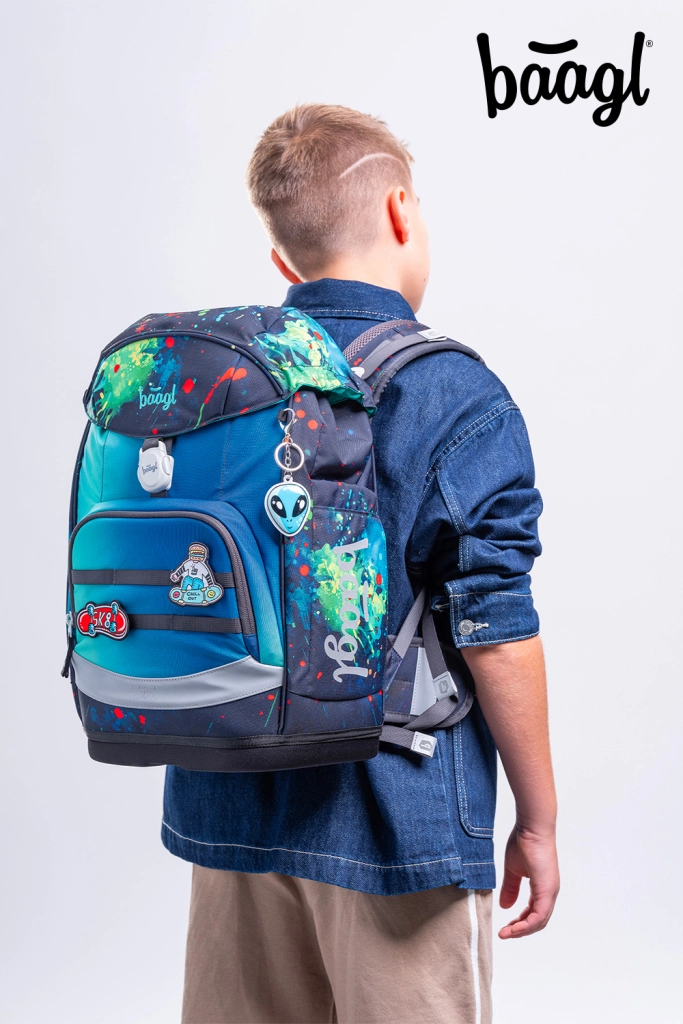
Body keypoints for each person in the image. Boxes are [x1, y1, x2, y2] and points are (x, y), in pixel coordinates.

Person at [164, 104, 559, 1024]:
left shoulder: (213, 378)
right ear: (399, 211)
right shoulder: (452, 393)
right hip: (397, 825)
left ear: (282, 262)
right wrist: (537, 821)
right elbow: (496, 631)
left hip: (228, 808)